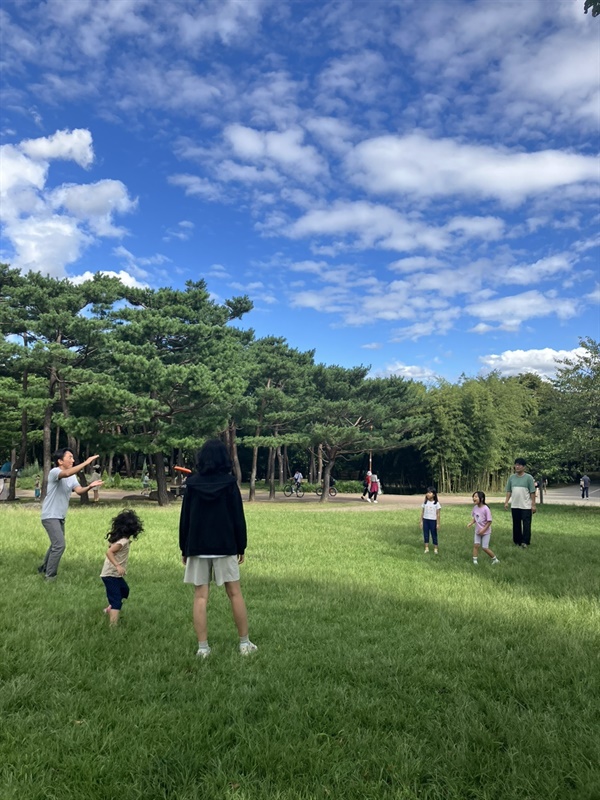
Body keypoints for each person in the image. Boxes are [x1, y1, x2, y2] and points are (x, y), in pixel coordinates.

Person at [179, 439, 257, 658]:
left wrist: (184, 547)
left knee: (200, 597)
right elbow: (237, 517)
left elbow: (185, 518)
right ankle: (244, 644)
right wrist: (241, 544)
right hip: (225, 545)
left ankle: (203, 648)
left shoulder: (192, 483)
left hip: (197, 545)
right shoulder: (230, 483)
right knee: (235, 593)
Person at [38, 449, 103, 581]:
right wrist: (87, 462)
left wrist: (90, 487)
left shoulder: (72, 477)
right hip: (50, 515)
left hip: (60, 516)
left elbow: (79, 491)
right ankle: (50, 576)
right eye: (70, 457)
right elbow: (66, 473)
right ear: (60, 461)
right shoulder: (54, 472)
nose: (73, 460)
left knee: (55, 544)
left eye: (73, 458)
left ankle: (44, 568)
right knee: (59, 545)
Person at [100, 509, 143, 626]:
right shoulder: (122, 542)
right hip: (110, 574)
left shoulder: (122, 540)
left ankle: (111, 607)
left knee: (125, 590)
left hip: (116, 575)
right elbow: (109, 552)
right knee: (116, 600)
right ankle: (113, 625)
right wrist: (118, 565)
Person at [504, 458, 536, 548]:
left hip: (525, 505)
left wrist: (533, 504)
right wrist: (506, 502)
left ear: (524, 467)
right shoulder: (512, 478)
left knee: (526, 524)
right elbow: (509, 491)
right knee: (516, 524)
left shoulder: (529, 478)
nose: (517, 467)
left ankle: (525, 541)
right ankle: (517, 541)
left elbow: (532, 492)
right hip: (515, 505)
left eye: (519, 465)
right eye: (516, 465)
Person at [468, 491, 500, 565]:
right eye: (473, 497)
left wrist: (483, 530)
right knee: (476, 545)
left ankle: (495, 560)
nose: (474, 498)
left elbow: (489, 521)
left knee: (485, 548)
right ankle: (475, 561)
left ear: (481, 499)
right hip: (477, 531)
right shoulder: (475, 508)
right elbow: (475, 518)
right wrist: (471, 523)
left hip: (486, 532)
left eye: (476, 497)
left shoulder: (486, 509)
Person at [420, 487, 441, 554]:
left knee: (434, 534)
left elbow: (438, 514)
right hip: (426, 520)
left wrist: (438, 523)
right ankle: (426, 548)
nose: (428, 494)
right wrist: (421, 521)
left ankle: (435, 548)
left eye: (430, 493)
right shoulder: (425, 503)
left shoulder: (436, 504)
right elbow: (422, 512)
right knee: (426, 534)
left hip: (433, 521)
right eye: (427, 493)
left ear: (434, 494)